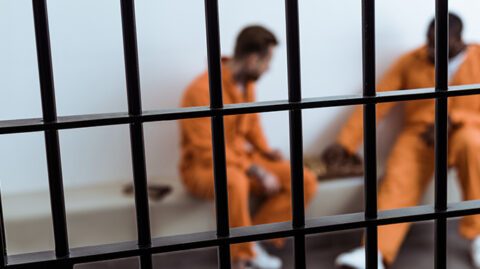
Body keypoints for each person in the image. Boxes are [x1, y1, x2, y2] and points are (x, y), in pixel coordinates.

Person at [322, 13, 480, 269]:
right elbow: (375, 102)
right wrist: (345, 142)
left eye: (439, 44)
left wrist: (454, 119)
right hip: (420, 137)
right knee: (397, 179)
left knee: (475, 147)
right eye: (428, 42)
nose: (431, 49)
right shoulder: (411, 61)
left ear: (458, 39)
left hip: (465, 133)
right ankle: (373, 253)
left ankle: (479, 236)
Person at [179, 25, 318, 269]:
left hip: (241, 159)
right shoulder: (200, 90)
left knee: (304, 179)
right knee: (234, 182)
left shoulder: (247, 84)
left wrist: (265, 152)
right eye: (267, 61)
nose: (268, 69)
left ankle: (254, 242)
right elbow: (207, 151)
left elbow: (251, 125)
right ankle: (240, 258)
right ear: (253, 58)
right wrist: (255, 169)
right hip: (203, 166)